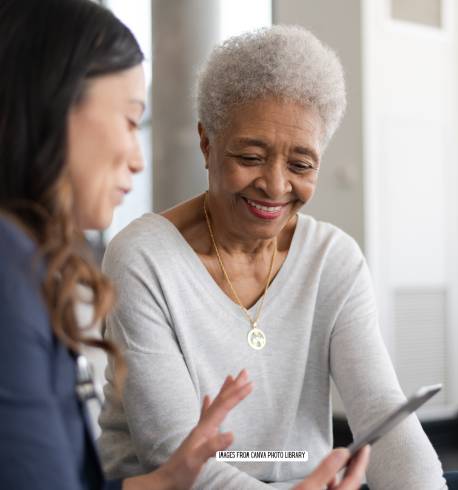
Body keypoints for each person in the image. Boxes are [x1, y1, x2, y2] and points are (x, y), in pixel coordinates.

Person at [98, 24, 458, 489]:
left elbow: (382, 414)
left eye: (301, 164)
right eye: (250, 156)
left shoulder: (333, 259)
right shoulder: (143, 259)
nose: (276, 185)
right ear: (207, 143)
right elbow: (176, 455)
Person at [0, 1, 370, 489]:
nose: (137, 159)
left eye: (301, 164)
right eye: (132, 122)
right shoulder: (15, 271)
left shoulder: (29, 263)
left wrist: (168, 481)